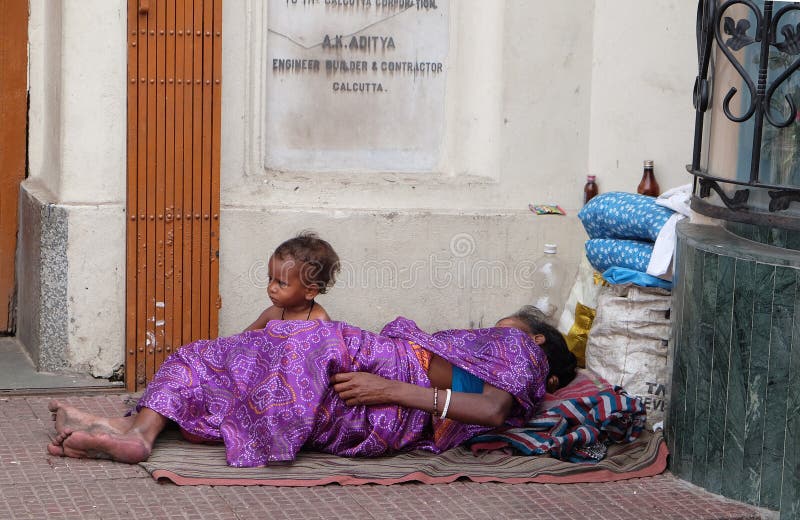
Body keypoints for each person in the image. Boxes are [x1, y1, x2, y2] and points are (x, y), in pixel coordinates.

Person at [47, 308, 576, 467]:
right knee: (211, 355)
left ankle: (135, 430)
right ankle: (133, 429)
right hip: (368, 377)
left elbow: (488, 408)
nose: (503, 319)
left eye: (517, 319)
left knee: (279, 359)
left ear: (536, 339)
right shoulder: (491, 349)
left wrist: (386, 389)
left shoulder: (521, 350)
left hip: (382, 392)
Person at [244, 232, 340, 329]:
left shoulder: (319, 321)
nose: (271, 288)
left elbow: (327, 344)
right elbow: (245, 337)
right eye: (270, 278)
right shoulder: (274, 313)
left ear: (310, 291)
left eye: (281, 283)